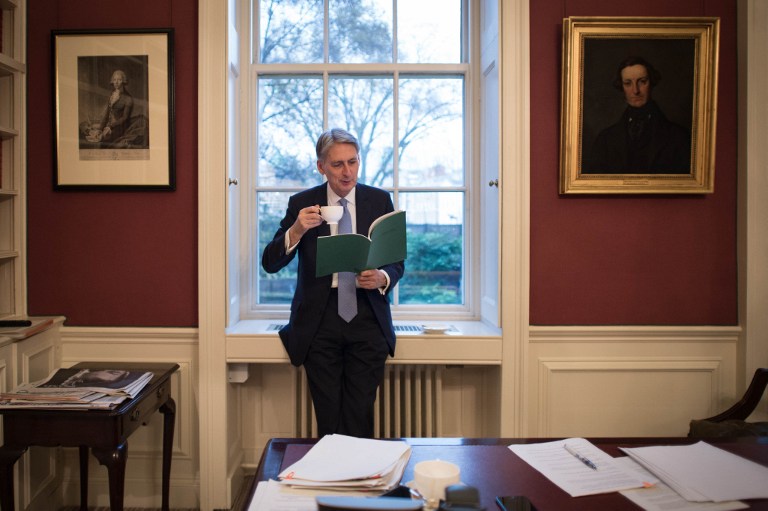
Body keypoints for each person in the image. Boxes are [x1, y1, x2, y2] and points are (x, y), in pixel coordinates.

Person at [262, 128, 405, 438]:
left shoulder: (379, 200)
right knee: (328, 420)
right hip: (319, 320)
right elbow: (270, 263)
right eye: (338, 164)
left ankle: (361, 484)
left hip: (367, 317)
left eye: (353, 162)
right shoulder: (302, 203)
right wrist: (297, 230)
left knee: (360, 416)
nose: (347, 172)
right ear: (321, 167)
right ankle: (330, 484)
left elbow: (396, 261)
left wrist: (383, 277)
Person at [584, 56, 691, 174]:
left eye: (642, 82)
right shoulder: (605, 140)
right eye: (628, 83)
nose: (636, 90)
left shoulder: (679, 137)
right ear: (621, 87)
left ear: (652, 83)